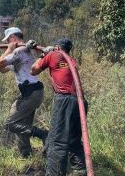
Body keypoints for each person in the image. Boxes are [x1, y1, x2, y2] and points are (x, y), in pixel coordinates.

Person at [0, 27, 48, 158]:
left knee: (11, 124)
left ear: (13, 38)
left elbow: (0, 65)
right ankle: (26, 154)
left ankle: (43, 134)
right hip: (30, 92)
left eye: (8, 40)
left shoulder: (19, 50)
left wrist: (9, 48)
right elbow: (3, 68)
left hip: (32, 92)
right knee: (22, 124)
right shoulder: (20, 52)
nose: (7, 43)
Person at [31, 38, 87, 176]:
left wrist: (43, 54)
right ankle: (80, 170)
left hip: (65, 101)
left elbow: (33, 70)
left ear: (57, 47)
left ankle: (54, 173)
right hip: (80, 102)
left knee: (57, 140)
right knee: (74, 139)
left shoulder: (53, 55)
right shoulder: (71, 60)